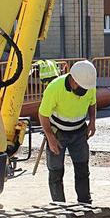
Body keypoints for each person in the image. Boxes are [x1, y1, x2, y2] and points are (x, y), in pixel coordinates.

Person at [38, 60, 98, 204]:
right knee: (56, 172)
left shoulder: (88, 85)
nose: (84, 92)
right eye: (81, 88)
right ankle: (59, 206)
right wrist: (50, 137)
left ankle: (85, 203)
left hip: (79, 132)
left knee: (82, 169)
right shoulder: (54, 88)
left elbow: (92, 103)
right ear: (73, 80)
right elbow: (43, 114)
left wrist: (92, 122)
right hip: (58, 133)